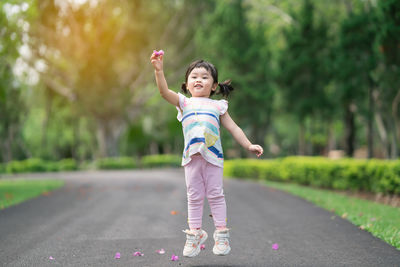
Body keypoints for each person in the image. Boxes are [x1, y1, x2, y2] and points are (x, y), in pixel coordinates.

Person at [150, 51, 263, 257]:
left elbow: (234, 128)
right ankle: (195, 234)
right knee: (194, 197)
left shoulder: (218, 106)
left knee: (216, 195)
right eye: (194, 77)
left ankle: (221, 234)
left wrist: (249, 145)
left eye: (204, 77)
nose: (198, 80)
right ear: (186, 84)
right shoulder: (184, 103)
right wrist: (159, 71)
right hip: (192, 158)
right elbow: (164, 92)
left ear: (214, 86)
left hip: (213, 159)